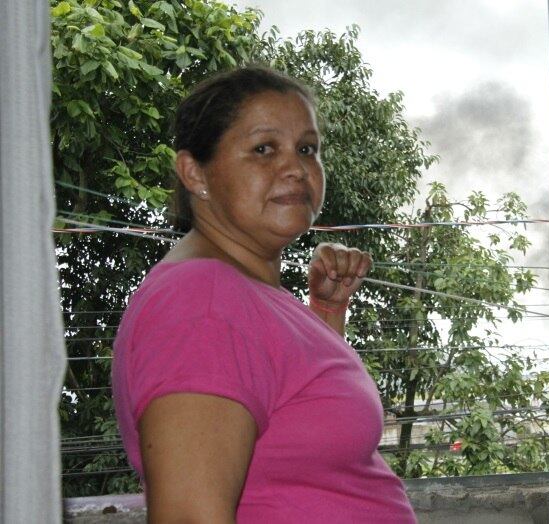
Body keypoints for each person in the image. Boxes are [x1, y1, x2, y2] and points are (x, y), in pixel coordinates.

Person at [111, 65, 417, 523]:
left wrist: (327, 314)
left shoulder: (240, 292)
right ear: (195, 173)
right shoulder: (204, 302)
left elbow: (293, 433)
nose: (295, 168)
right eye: (263, 149)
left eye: (307, 149)